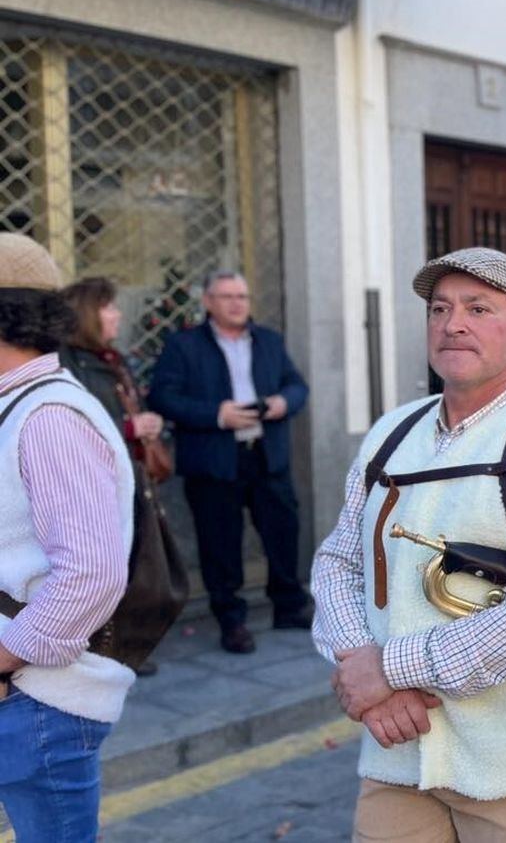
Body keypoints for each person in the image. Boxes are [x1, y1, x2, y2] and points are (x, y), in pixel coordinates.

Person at [311, 247, 506, 841]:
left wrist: (391, 668)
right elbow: (338, 560)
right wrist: (363, 670)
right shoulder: (391, 432)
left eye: (479, 308)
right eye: (440, 308)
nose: (453, 323)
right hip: (398, 747)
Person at [0, 234, 135, 843]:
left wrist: (3, 662)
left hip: (36, 701)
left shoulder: (49, 416)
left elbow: (90, 574)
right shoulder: (19, 405)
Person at [147, 270, 310, 654]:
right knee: (219, 543)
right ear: (208, 302)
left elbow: (297, 384)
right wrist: (218, 415)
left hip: (267, 454)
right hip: (214, 460)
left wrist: (282, 403)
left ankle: (288, 605)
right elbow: (163, 398)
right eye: (227, 296)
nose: (237, 303)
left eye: (242, 296)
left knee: (283, 531)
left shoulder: (268, 340)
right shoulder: (183, 345)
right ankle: (231, 620)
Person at [58, 278, 173, 675]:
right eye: (108, 307)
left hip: (130, 479)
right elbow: (71, 424)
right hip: (96, 487)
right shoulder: (67, 363)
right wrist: (129, 427)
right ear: (88, 314)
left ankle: (123, 648)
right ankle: (102, 649)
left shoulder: (111, 360)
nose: (118, 314)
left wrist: (144, 426)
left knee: (135, 568)